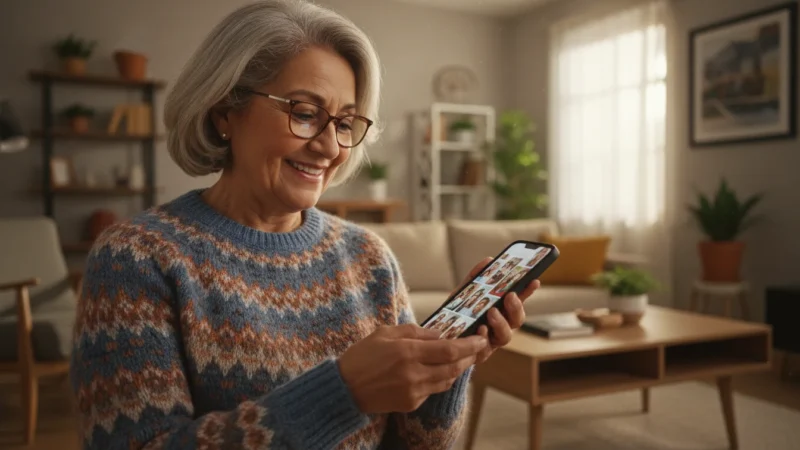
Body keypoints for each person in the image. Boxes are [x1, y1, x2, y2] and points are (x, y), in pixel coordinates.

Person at [68, 1, 540, 449]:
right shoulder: (136, 257)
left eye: (345, 123)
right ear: (225, 111)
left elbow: (420, 443)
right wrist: (344, 392)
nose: (331, 147)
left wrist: (446, 370)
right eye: (306, 113)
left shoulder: (369, 257)